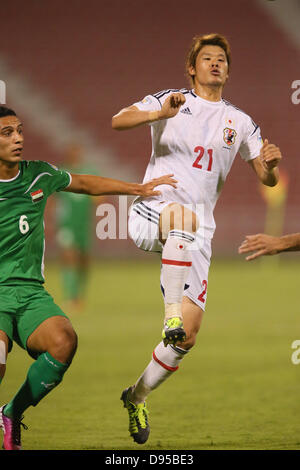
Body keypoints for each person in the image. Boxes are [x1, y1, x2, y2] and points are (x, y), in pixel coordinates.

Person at [112, 33, 282, 444]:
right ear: (192, 67)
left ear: (228, 68)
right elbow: (118, 120)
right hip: (153, 210)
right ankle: (169, 310)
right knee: (180, 216)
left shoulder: (239, 122)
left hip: (198, 233)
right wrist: (156, 115)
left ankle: (136, 397)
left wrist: (272, 167)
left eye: (221, 58)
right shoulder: (170, 100)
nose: (215, 64)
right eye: (207, 58)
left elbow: (265, 174)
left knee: (186, 336)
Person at [0, 105, 176, 450]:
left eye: (20, 130)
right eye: (8, 133)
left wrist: (136, 189)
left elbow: (83, 183)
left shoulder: (38, 175)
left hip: (30, 292)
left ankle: (10, 413)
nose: (19, 138)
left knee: (64, 342)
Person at [55, 143, 100, 312]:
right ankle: (71, 296)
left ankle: (79, 296)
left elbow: (99, 197)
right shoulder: (60, 172)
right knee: (69, 256)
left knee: (84, 260)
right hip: (67, 224)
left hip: (84, 224)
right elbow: (53, 198)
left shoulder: (89, 172)